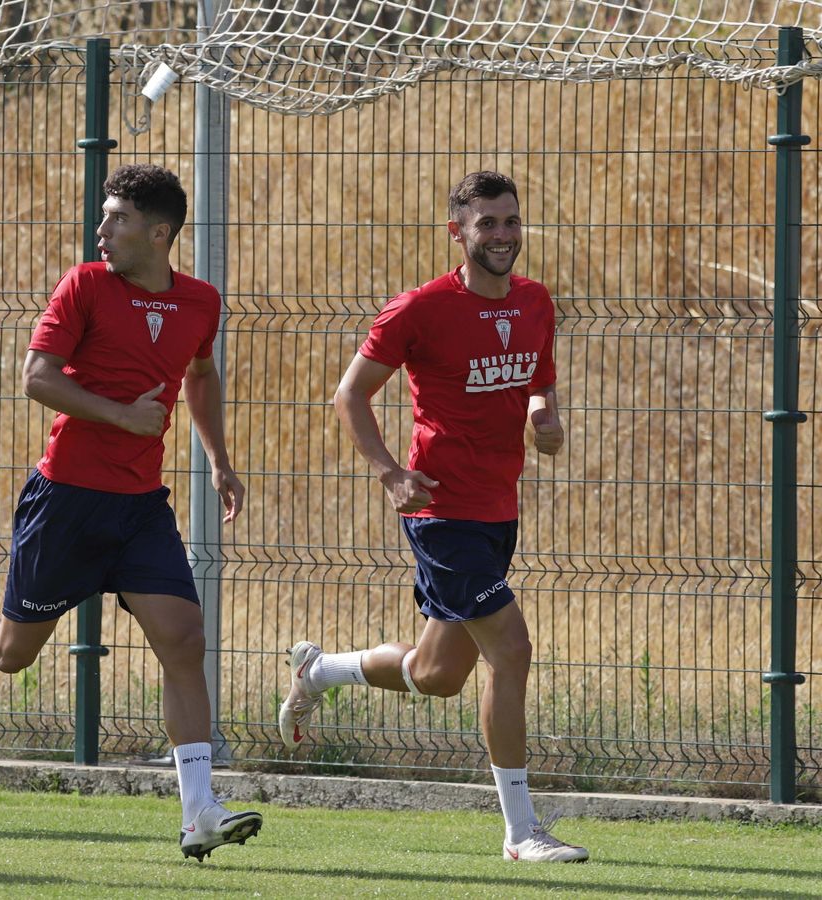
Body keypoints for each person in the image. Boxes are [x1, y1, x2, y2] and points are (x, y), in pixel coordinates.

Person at [0, 164, 261, 861]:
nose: (101, 228)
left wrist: (219, 459)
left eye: (118, 219)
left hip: (140, 508)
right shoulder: (85, 285)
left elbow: (200, 373)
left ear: (160, 233)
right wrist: (120, 416)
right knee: (11, 654)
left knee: (184, 639)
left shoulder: (201, 302)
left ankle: (199, 812)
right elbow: (36, 378)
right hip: (67, 500)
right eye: (103, 216)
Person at [281, 171, 587, 863]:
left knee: (437, 674)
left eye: (511, 221)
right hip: (441, 511)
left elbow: (539, 377)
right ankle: (520, 832)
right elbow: (349, 396)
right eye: (488, 224)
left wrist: (547, 417)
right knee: (511, 651)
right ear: (459, 232)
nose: (503, 235)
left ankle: (322, 670)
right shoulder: (418, 309)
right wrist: (392, 472)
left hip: (497, 508)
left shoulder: (536, 302)